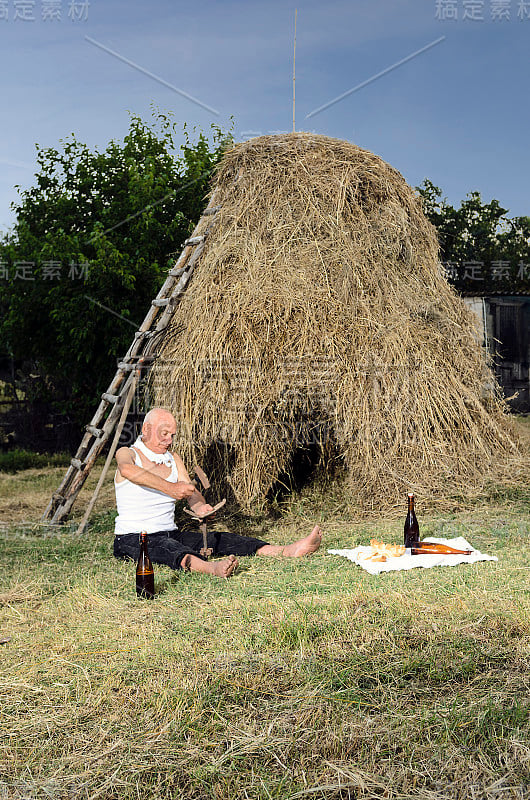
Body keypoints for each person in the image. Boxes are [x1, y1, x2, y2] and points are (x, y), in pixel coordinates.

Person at [113, 407, 322, 578]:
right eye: (164, 434)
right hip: (132, 537)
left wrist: (200, 506)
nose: (169, 440)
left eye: (172, 435)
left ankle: (285, 550)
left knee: (219, 539)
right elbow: (127, 470)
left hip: (170, 531)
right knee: (169, 549)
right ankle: (212, 569)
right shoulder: (129, 453)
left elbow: (189, 492)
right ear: (146, 429)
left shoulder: (173, 458)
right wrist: (170, 488)